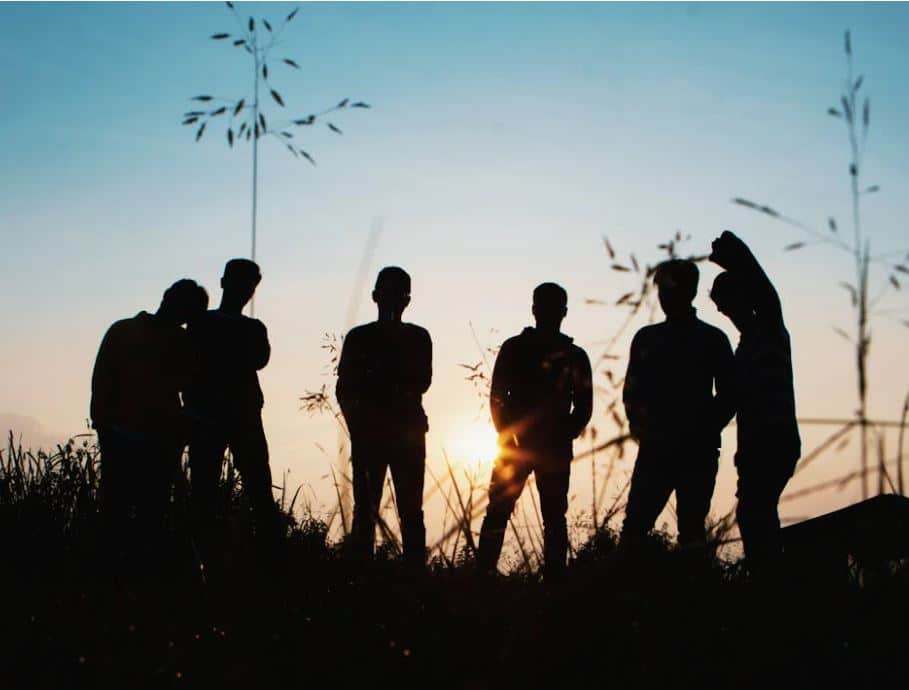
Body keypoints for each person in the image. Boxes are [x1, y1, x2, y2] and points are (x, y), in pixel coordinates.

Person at [477, 283, 593, 580]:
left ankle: (547, 578)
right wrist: (508, 435)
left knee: (547, 516)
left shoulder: (569, 355)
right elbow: (497, 398)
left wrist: (562, 434)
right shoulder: (522, 349)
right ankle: (485, 574)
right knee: (505, 512)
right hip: (519, 446)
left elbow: (583, 407)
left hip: (539, 447)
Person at [619, 260, 736, 551]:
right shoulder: (650, 338)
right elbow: (632, 393)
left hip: (694, 450)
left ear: (690, 291)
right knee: (636, 529)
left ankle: (687, 591)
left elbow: (730, 395)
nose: (663, 296)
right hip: (660, 448)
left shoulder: (711, 340)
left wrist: (703, 429)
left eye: (668, 288)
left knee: (691, 533)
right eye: (661, 289)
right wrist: (643, 429)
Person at [90, 279, 209, 556]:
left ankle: (133, 575)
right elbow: (103, 381)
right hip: (125, 435)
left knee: (149, 514)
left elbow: (190, 385)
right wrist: (104, 425)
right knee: (121, 512)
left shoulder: (175, 341)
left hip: (158, 441)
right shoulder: (125, 331)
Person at [709, 230, 801, 575]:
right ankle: (768, 578)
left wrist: (732, 253)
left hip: (774, 441)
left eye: (728, 305)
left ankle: (770, 582)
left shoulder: (771, 328)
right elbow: (729, 403)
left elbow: (764, 289)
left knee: (754, 512)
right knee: (754, 514)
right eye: (722, 308)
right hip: (754, 448)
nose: (726, 313)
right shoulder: (744, 348)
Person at [336, 266, 432, 568]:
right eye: (387, 294)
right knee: (366, 509)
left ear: (407, 301)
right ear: (376, 296)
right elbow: (345, 388)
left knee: (411, 510)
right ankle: (360, 576)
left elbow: (422, 381)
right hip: (371, 434)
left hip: (407, 434)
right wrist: (357, 425)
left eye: (398, 295)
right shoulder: (359, 337)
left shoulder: (418, 337)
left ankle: (414, 577)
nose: (392, 301)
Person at [185, 259, 279, 557]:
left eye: (250, 286)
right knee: (204, 489)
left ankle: (267, 553)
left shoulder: (249, 327)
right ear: (224, 282)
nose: (245, 291)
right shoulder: (201, 322)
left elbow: (260, 359)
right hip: (210, 417)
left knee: (259, 488)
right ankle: (203, 553)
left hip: (242, 417)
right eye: (241, 283)